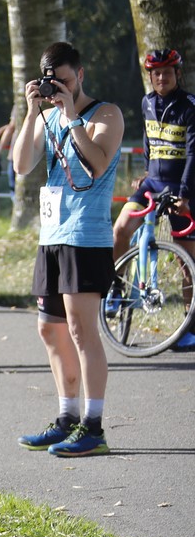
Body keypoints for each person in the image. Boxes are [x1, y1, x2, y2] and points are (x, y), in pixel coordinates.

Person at [11, 41, 124, 457]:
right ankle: (66, 418)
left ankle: (94, 427)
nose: (59, 88)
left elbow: (96, 162)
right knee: (50, 329)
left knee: (81, 330)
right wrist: (32, 112)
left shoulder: (106, 114)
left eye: (66, 81)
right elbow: (21, 165)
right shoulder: (48, 115)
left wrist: (72, 115)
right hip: (52, 235)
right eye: (52, 82)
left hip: (86, 236)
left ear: (81, 75)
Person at [109, 49, 195, 347]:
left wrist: (184, 195)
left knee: (187, 262)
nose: (161, 78)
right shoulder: (146, 102)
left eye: (167, 72)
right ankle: (117, 289)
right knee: (120, 230)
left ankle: (188, 327)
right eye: (156, 73)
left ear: (177, 74)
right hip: (153, 183)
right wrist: (147, 170)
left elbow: (193, 154)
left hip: (181, 188)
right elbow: (148, 138)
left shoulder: (190, 106)